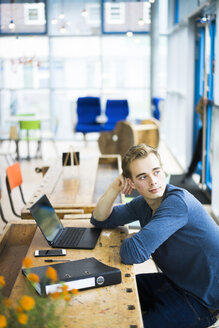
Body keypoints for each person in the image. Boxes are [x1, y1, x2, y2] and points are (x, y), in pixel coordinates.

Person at [90, 143, 219, 328]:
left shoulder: (177, 203)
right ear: (131, 183)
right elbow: (100, 219)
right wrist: (114, 188)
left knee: (131, 325)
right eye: (143, 176)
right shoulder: (144, 203)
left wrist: (132, 240)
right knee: (111, 288)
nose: (153, 181)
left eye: (156, 172)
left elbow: (133, 253)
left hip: (203, 301)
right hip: (176, 282)